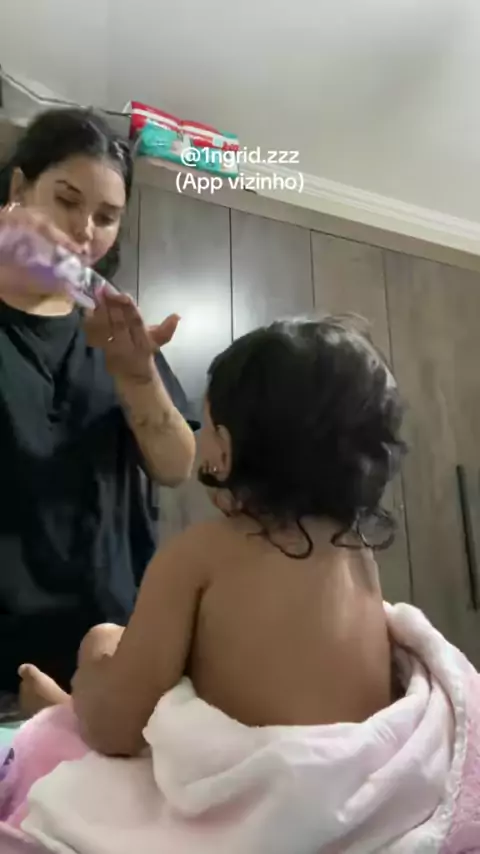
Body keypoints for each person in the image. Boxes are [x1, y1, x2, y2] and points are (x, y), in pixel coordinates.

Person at [3, 318, 480, 854]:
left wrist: (88, 686)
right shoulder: (356, 553)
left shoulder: (200, 554)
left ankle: (58, 712)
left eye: (204, 425)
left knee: (102, 644)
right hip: (364, 797)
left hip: (274, 808)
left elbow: (118, 728)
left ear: (223, 450)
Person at [0, 107, 197, 699]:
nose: (86, 229)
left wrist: (137, 377)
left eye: (107, 217)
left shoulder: (112, 326)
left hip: (108, 652)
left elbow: (176, 465)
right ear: (18, 189)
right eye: (67, 200)